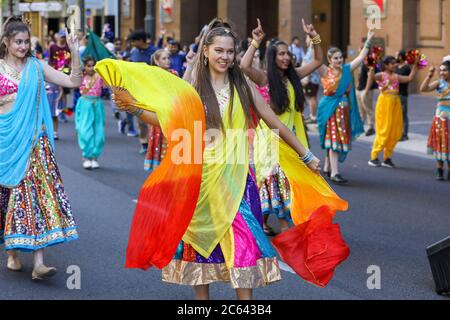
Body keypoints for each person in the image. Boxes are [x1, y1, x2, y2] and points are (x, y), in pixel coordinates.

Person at [98, 18, 349, 300]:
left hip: (239, 180)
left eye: (230, 52)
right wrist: (133, 108)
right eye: (219, 50)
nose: (225, 57)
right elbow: (169, 121)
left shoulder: (242, 86)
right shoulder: (191, 86)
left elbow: (274, 123)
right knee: (201, 250)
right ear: (206, 50)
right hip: (201, 180)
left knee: (244, 248)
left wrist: (306, 155)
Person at [0, 17, 81, 280]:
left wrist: (74, 52)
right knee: (7, 198)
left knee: (34, 194)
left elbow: (73, 82)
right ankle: (12, 251)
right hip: (6, 141)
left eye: (26, 42)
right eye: (18, 42)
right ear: (6, 43)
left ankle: (38, 262)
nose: (23, 46)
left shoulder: (37, 67)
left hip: (36, 142)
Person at [240, 19, 323, 235]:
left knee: (283, 180)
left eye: (287, 53)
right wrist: (256, 41)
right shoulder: (265, 78)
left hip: (292, 136)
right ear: (273, 57)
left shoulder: (294, 75)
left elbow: (318, 60)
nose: (286, 57)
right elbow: (244, 67)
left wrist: (314, 36)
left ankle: (268, 218)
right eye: (281, 54)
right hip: (270, 139)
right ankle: (281, 224)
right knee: (272, 178)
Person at [317, 31, 372, 185]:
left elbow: (361, 58)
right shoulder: (324, 71)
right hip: (329, 110)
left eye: (340, 57)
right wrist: (314, 39)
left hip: (343, 112)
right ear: (329, 60)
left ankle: (328, 166)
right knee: (333, 139)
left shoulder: (347, 70)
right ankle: (334, 172)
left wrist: (368, 40)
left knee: (335, 140)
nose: (339, 60)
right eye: (335, 58)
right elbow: (316, 59)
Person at [367, 56, 418, 168]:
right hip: (384, 103)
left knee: (395, 131)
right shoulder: (381, 75)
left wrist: (415, 66)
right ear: (386, 65)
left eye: (395, 63)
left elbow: (410, 78)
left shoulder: (396, 76)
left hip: (396, 103)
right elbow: (371, 77)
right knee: (384, 130)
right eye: (392, 63)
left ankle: (387, 158)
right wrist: (371, 66)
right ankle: (374, 157)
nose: (395, 65)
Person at [143, 49, 174, 172]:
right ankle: (158, 170)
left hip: (172, 114)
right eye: (164, 58)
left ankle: (167, 170)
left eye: (168, 58)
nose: (168, 61)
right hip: (157, 114)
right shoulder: (152, 76)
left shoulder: (174, 74)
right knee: (158, 140)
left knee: (170, 143)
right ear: (156, 61)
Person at [420, 60, 450, 180]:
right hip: (441, 118)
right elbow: (423, 89)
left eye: (445, 70)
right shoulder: (439, 83)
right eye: (441, 70)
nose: (442, 72)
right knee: (440, 142)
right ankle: (439, 170)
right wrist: (429, 75)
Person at [74, 56, 105, 170]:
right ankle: (86, 157)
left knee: (99, 133)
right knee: (85, 132)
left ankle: (94, 157)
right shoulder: (80, 78)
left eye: (93, 65)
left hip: (97, 104)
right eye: (88, 65)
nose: (91, 68)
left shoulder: (100, 77)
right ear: (84, 67)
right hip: (85, 104)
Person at [48, 29, 72, 135]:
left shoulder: (67, 48)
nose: (62, 39)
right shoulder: (53, 46)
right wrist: (50, 70)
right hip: (55, 71)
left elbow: (70, 60)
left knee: (63, 92)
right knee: (56, 91)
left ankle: (62, 110)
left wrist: (69, 69)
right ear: (57, 37)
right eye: (61, 37)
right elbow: (50, 59)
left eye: (64, 37)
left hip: (65, 72)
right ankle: (59, 109)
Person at [356, 42, 380, 137]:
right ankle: (361, 124)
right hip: (359, 88)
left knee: (368, 108)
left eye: (360, 48)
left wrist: (366, 90)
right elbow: (360, 75)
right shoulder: (362, 60)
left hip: (366, 90)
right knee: (361, 108)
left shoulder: (370, 61)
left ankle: (371, 127)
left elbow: (370, 77)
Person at [301, 35, 322, 124]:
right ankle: (312, 115)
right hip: (313, 79)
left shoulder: (312, 50)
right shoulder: (311, 50)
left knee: (311, 98)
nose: (306, 40)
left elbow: (310, 64)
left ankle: (313, 116)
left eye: (306, 38)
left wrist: (306, 78)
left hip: (311, 79)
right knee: (312, 97)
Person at [395, 50, 412, 141]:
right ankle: (398, 132)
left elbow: (398, 78)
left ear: (401, 57)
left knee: (403, 114)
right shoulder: (397, 67)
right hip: (395, 94)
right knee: (397, 114)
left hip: (402, 94)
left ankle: (404, 133)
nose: (395, 57)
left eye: (397, 55)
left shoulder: (406, 68)